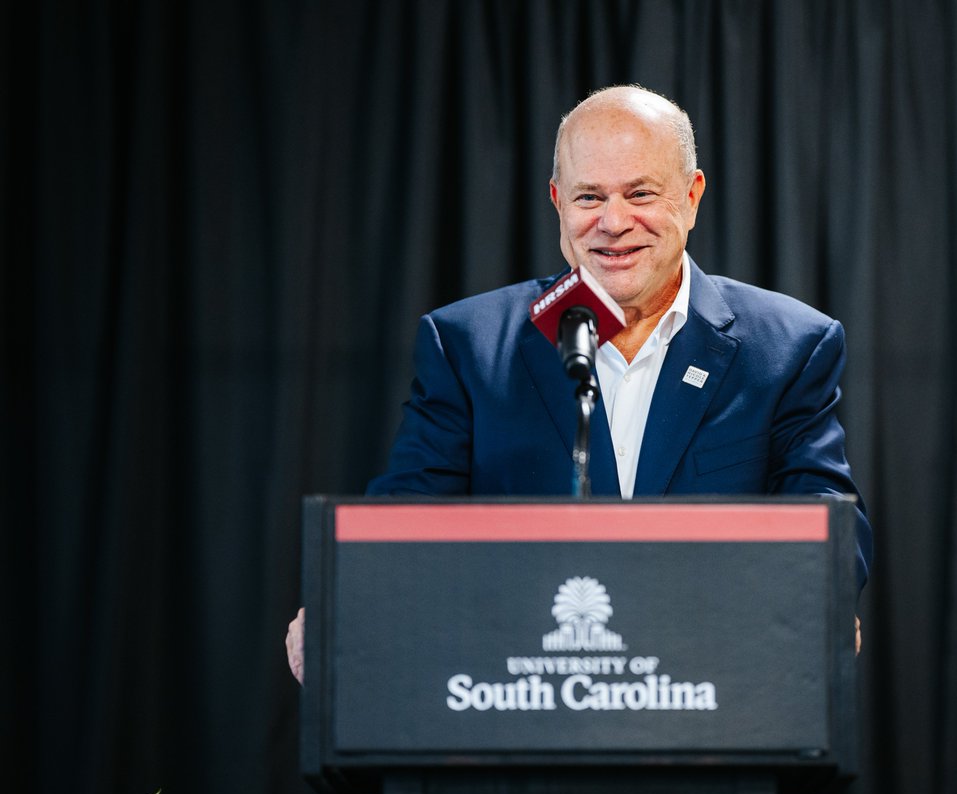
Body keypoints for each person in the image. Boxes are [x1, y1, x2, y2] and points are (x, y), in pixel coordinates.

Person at [285, 85, 871, 684]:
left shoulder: (788, 345)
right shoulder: (467, 344)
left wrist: (816, 594)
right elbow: (406, 516)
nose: (614, 223)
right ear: (558, 201)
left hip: (709, 692)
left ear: (692, 197)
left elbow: (825, 518)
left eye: (640, 193)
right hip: (517, 698)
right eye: (590, 196)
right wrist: (345, 599)